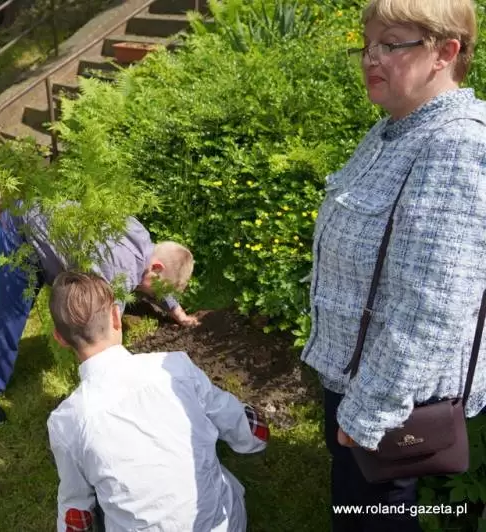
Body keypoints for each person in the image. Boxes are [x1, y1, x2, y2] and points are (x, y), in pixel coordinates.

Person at [301, 0, 486, 529]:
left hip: (388, 396)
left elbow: (435, 305)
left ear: (445, 52)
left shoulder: (456, 144)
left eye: (391, 44)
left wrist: (370, 412)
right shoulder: (395, 130)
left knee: (376, 515)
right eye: (368, 45)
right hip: (355, 376)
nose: (371, 59)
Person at [46, 272, 267, 531]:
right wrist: (255, 434)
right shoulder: (174, 367)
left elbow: (75, 508)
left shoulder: (66, 421)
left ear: (60, 338)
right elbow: (243, 426)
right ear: (116, 317)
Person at [0, 204, 199, 425]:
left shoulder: (142, 239)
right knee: (8, 318)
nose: (155, 295)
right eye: (160, 289)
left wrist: (177, 312)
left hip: (42, 235)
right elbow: (105, 333)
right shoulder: (117, 270)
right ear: (156, 267)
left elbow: (153, 282)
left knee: (2, 309)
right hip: (20, 235)